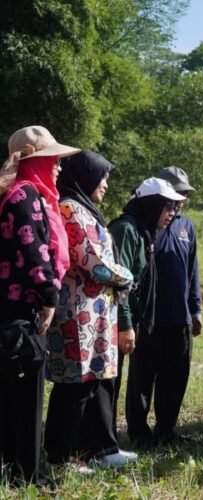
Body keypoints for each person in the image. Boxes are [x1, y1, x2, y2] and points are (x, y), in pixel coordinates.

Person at [44, 151, 136, 472]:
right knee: (74, 387)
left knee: (95, 383)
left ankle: (100, 448)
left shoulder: (85, 209)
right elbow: (93, 264)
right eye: (103, 176)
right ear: (84, 176)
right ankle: (60, 457)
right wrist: (127, 276)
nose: (106, 184)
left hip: (95, 315)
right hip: (75, 316)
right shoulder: (70, 209)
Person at [0, 126, 78, 484]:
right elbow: (36, 254)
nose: (59, 167)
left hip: (11, 309)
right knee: (28, 398)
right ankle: (29, 475)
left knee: (12, 394)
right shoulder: (26, 196)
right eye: (53, 159)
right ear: (34, 160)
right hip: (25, 309)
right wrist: (49, 297)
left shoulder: (12, 193)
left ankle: (11, 467)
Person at [122, 166, 202, 447]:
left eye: (185, 194)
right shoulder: (145, 224)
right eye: (178, 193)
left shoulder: (185, 226)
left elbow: (192, 271)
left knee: (175, 378)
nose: (183, 200)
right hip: (148, 318)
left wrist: (195, 310)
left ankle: (166, 431)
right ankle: (138, 432)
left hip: (178, 316)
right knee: (142, 378)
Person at [108, 178, 185, 447]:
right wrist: (126, 324)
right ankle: (99, 442)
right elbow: (120, 283)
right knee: (108, 382)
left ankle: (105, 441)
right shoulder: (126, 229)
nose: (172, 214)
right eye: (168, 207)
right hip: (112, 319)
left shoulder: (143, 230)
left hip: (134, 317)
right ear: (152, 205)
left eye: (176, 208)